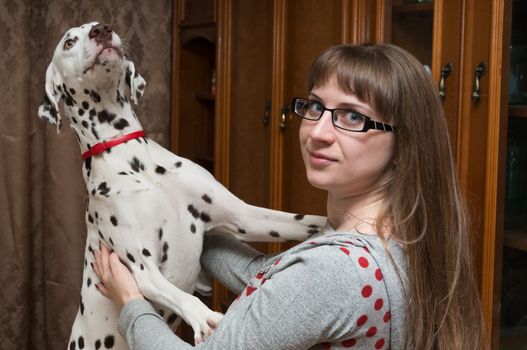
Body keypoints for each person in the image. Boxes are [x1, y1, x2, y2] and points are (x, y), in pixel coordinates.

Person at [93, 43, 486, 349]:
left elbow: (301, 288)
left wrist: (131, 302)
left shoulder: (335, 273)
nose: (316, 132)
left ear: (406, 142)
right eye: (315, 106)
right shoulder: (398, 240)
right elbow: (267, 280)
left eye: (352, 116)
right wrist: (191, 228)